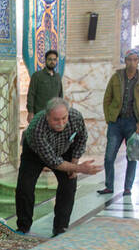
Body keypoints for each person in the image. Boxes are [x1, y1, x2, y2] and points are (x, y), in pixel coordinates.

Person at [15, 98, 101, 236]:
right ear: (47, 116)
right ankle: (23, 227)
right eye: (56, 120)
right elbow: (53, 161)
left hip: (64, 148)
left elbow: (81, 138)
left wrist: (74, 163)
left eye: (64, 118)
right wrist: (79, 168)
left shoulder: (75, 117)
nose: (61, 123)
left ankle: (60, 228)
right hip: (34, 153)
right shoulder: (37, 127)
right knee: (25, 187)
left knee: (69, 184)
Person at [99, 48, 139, 196]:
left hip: (133, 123)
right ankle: (109, 186)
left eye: (135, 60)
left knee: (132, 156)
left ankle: (128, 187)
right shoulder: (116, 77)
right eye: (129, 59)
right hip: (116, 123)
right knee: (109, 157)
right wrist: (109, 118)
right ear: (125, 60)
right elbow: (107, 99)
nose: (132, 63)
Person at [27, 50, 64, 123]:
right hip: (40, 114)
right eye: (50, 59)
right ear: (45, 60)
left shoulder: (58, 77)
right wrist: (30, 112)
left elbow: (60, 95)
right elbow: (31, 94)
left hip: (54, 114)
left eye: (54, 60)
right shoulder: (37, 76)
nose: (52, 62)